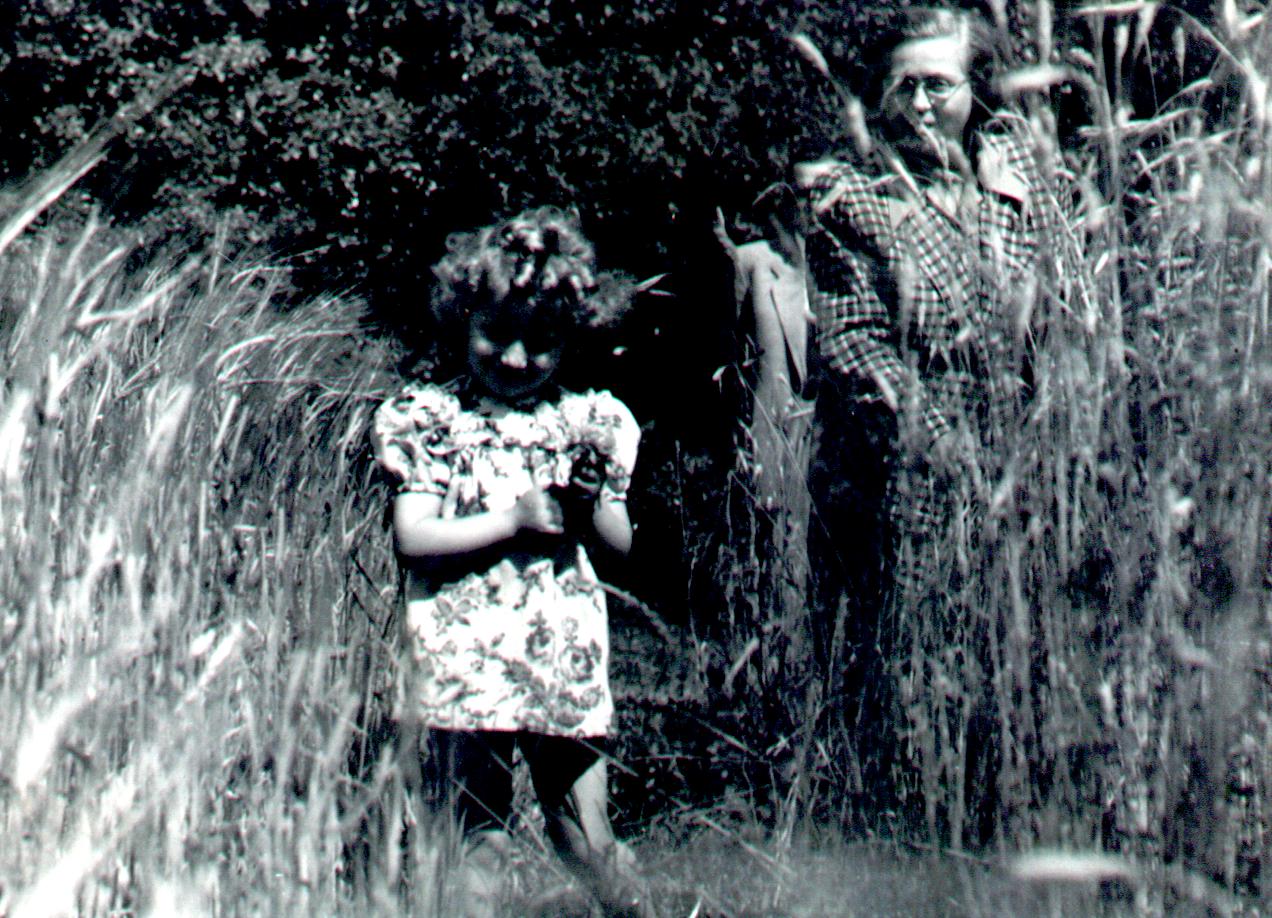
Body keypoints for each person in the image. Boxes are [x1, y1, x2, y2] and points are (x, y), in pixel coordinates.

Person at [801, 6, 1079, 843]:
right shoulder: (851, 199)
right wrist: (942, 447)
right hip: (907, 473)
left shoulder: (1025, 186)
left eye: (938, 85)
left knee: (1023, 654)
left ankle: (1016, 824)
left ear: (976, 88)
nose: (920, 105)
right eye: (904, 87)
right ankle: (909, 835)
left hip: (1032, 462)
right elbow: (854, 345)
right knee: (913, 665)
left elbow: (1070, 312)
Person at [371, 206, 644, 915]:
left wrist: (589, 502)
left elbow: (620, 546)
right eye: (496, 334)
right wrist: (512, 520)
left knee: (584, 834)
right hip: (462, 653)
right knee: (475, 840)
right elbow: (414, 537)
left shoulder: (589, 422)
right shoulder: (435, 420)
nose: (517, 359)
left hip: (559, 650)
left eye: (541, 342)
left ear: (571, 338)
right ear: (463, 319)